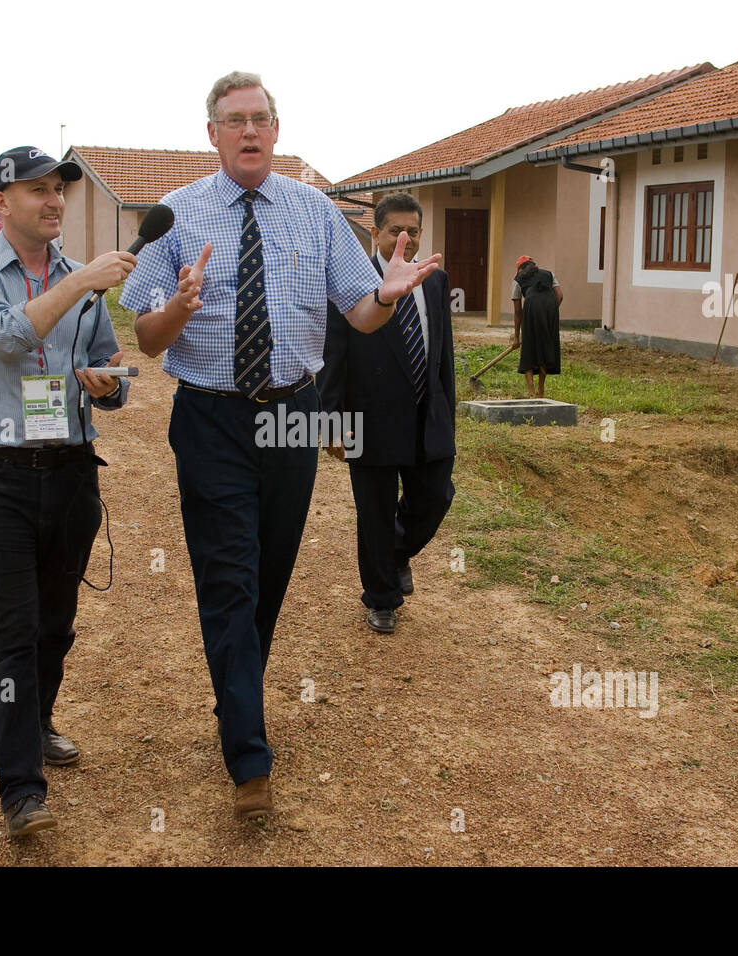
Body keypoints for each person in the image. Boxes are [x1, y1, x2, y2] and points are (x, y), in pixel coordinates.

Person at [120, 71, 439, 821]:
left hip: (294, 416)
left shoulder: (317, 214)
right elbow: (144, 337)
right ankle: (250, 760)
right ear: (213, 134)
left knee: (268, 575)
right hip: (210, 415)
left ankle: (235, 697)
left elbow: (358, 315)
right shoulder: (177, 215)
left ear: (276, 129)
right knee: (227, 574)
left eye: (261, 118)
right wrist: (177, 307)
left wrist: (387, 296)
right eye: (235, 120)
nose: (250, 131)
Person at [0, 145, 138, 838]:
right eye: (37, 190)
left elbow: (106, 361)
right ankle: (21, 789)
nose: (54, 200)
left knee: (55, 624)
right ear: (0, 202)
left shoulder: (76, 279)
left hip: (71, 470)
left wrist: (110, 382)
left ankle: (40, 718)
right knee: (8, 633)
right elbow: (5, 335)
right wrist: (83, 279)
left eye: (59, 189)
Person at [320, 192, 455, 634]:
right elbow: (333, 356)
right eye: (396, 230)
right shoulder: (351, 284)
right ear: (375, 233)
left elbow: (443, 356)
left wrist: (447, 412)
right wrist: (331, 423)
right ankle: (381, 598)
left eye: (413, 231)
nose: (406, 239)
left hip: (426, 417)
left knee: (435, 498)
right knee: (374, 514)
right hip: (369, 420)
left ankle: (395, 554)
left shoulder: (434, 281)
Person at [511, 255, 563, 397]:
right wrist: (549, 312)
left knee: (529, 348)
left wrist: (517, 337)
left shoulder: (517, 280)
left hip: (532, 309)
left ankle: (531, 391)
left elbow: (517, 311)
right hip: (550, 308)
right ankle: (541, 390)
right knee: (545, 346)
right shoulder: (549, 274)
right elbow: (559, 295)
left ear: (520, 269)